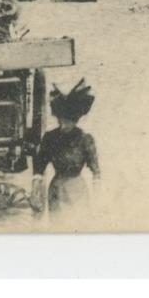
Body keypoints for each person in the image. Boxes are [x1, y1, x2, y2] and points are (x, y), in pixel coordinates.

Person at [32, 81, 100, 220]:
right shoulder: (50, 137)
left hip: (78, 192)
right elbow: (39, 169)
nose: (64, 124)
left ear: (76, 120)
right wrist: (34, 193)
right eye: (61, 120)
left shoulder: (85, 139)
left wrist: (98, 201)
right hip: (57, 192)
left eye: (68, 121)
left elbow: (96, 172)